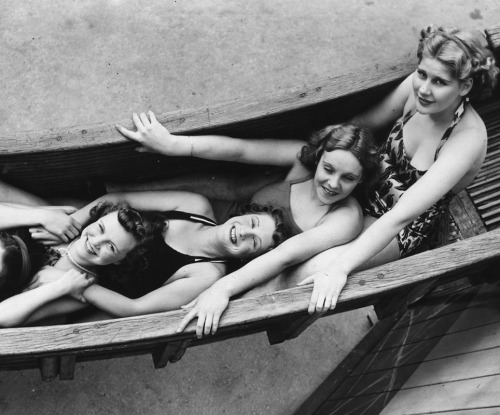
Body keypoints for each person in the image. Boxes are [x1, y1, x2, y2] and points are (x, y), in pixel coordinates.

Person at [272, 25, 499, 315]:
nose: (425, 88)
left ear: (464, 87)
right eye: (422, 73)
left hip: (398, 226)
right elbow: (362, 124)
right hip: (359, 184)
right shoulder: (417, 92)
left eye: (440, 82)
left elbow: (400, 216)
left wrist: (340, 269)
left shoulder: (467, 139)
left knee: (311, 270)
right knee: (283, 226)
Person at [116, 114, 379, 336]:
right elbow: (240, 150)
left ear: (361, 179)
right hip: (222, 223)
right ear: (320, 156)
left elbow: (284, 256)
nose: (333, 184)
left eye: (348, 178)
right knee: (138, 226)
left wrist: (222, 288)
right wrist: (174, 144)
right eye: (329, 169)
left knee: (148, 281)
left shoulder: (345, 217)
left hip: (237, 268)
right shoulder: (303, 163)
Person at [30, 190, 285, 318]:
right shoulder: (194, 206)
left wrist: (69, 284)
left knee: (19, 285)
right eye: (251, 223)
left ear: (247, 258)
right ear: (242, 214)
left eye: (253, 242)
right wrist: (70, 223)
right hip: (84, 236)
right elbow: (119, 198)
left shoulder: (206, 273)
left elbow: (135, 308)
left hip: (87, 282)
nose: (243, 233)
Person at [0, 201, 161, 327]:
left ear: (120, 260)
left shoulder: (80, 285)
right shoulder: (66, 225)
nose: (95, 241)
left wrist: (60, 286)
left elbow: (3, 316)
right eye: (100, 228)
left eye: (111, 247)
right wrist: (42, 215)